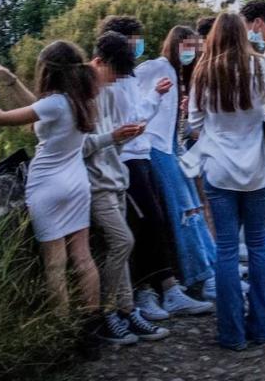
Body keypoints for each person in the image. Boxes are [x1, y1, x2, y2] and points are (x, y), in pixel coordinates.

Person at [0, 42, 103, 346]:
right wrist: (11, 80)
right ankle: (92, 331)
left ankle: (65, 336)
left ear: (49, 71)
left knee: (55, 266)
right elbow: (40, 112)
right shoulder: (81, 100)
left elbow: (0, 119)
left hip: (47, 186)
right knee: (83, 259)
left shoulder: (56, 103)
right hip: (77, 185)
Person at [99, 16, 213, 318]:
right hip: (128, 158)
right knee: (147, 223)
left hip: (144, 154)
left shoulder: (127, 78)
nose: (139, 43)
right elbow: (134, 120)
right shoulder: (136, 75)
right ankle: (149, 293)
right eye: (135, 38)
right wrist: (156, 96)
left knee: (156, 220)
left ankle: (166, 288)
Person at [183, 12, 265, 350]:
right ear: (243, 34)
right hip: (256, 164)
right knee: (258, 244)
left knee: (225, 249)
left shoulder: (204, 70)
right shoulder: (260, 66)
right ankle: (263, 326)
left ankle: (231, 333)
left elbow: (194, 120)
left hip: (218, 166)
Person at [84, 32, 171, 344]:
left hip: (115, 176)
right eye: (113, 73)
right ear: (99, 62)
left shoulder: (107, 88)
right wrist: (115, 138)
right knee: (123, 242)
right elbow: (80, 146)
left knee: (118, 247)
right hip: (97, 182)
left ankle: (126, 309)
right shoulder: (84, 93)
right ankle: (109, 313)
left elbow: (109, 139)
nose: (114, 81)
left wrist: (121, 138)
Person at [137, 26, 218, 299]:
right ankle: (201, 276)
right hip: (157, 146)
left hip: (170, 145)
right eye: (187, 47)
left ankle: (209, 267)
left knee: (192, 208)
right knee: (185, 211)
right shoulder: (155, 67)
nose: (191, 54)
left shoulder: (175, 73)